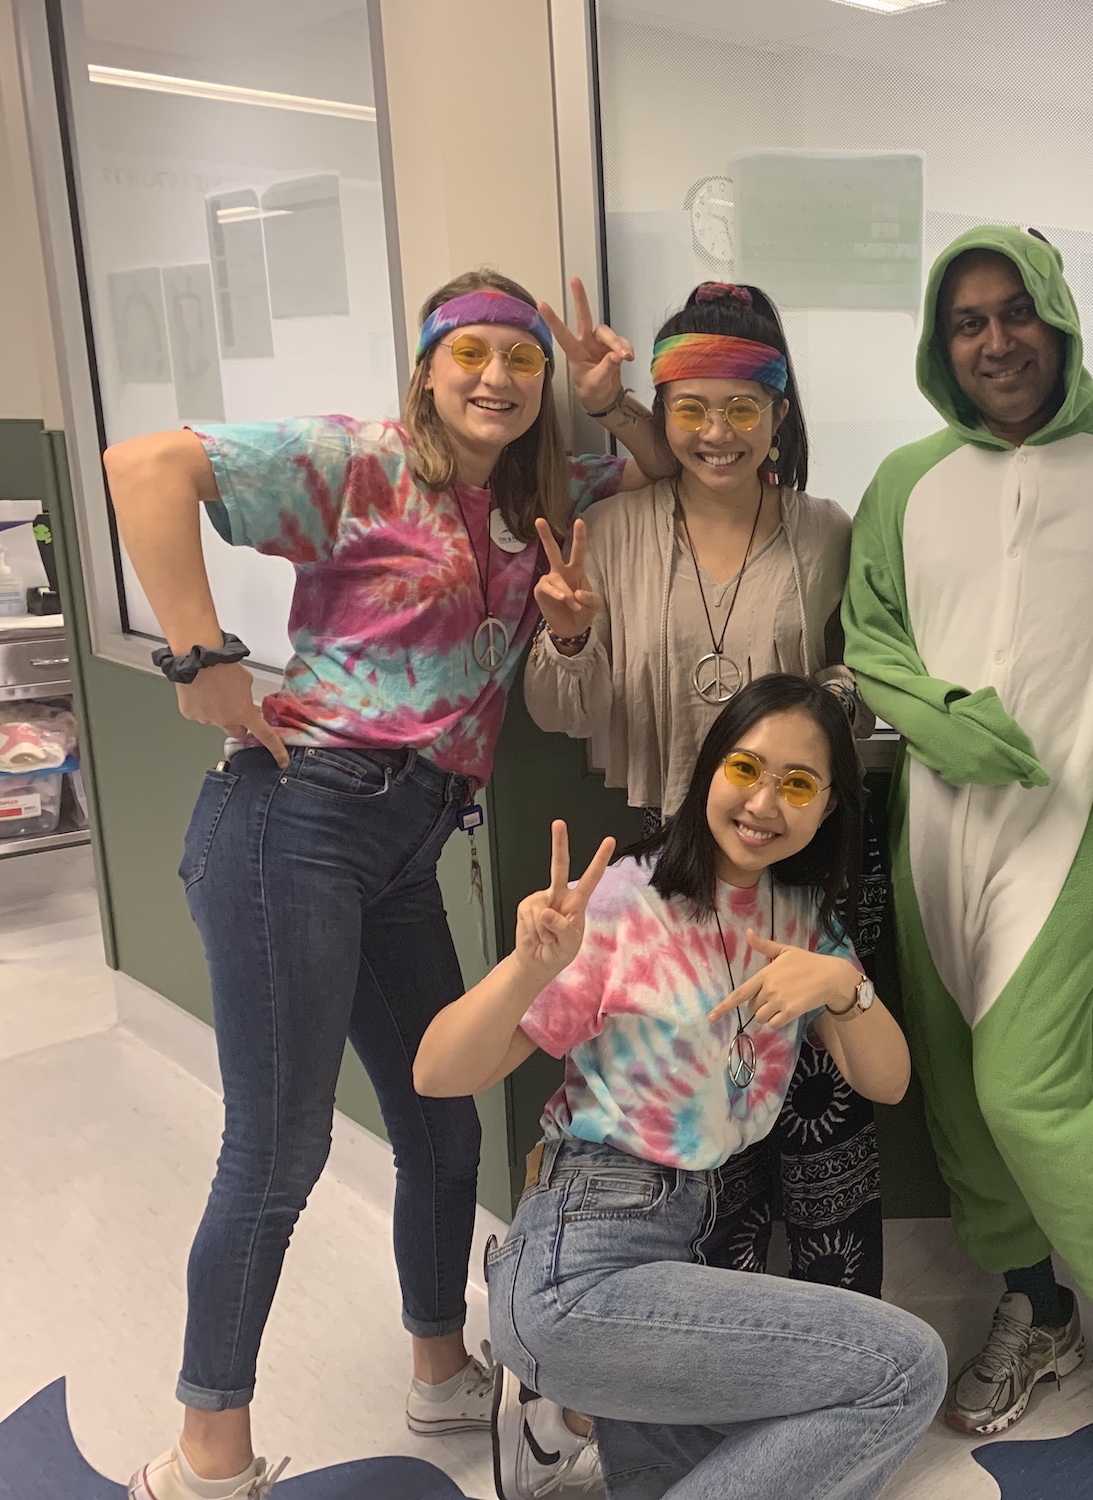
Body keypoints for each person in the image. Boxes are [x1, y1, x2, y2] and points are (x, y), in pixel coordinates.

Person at [106, 270, 653, 1500]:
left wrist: (616, 404)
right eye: (473, 356)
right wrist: (200, 656)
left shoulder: (532, 501)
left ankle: (439, 1367)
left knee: (442, 1122)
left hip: (411, 839)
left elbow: (662, 476)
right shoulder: (357, 462)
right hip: (294, 818)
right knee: (281, 1146)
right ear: (426, 367)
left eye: (523, 361)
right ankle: (204, 1459)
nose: (499, 380)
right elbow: (144, 465)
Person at [841, 224, 1093, 1459]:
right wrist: (936, 722)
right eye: (966, 321)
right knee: (960, 1101)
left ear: (1059, 317)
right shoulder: (905, 480)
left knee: (1036, 1096)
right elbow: (869, 637)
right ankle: (1038, 1303)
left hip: (1082, 829)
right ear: (939, 343)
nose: (995, 340)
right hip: (938, 836)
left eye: (1015, 311)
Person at [413, 674, 946, 1500]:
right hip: (577, 1258)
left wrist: (845, 986)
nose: (765, 802)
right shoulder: (629, 902)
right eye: (745, 769)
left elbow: (886, 1079)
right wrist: (528, 968)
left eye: (798, 784)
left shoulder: (804, 923)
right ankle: (559, 1393)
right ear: (708, 772)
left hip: (675, 1255)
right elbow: (437, 1072)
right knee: (905, 1369)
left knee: (716, 1470)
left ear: (829, 806)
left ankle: (560, 1417)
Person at [524, 279, 884, 1296]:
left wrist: (817, 705)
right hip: (671, 864)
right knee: (693, 1113)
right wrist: (571, 632)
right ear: (664, 412)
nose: (714, 433)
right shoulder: (618, 528)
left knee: (823, 1110)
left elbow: (869, 675)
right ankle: (709, 1350)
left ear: (779, 412)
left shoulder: (827, 532)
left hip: (802, 854)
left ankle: (840, 1338)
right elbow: (561, 710)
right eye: (688, 408)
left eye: (740, 408)